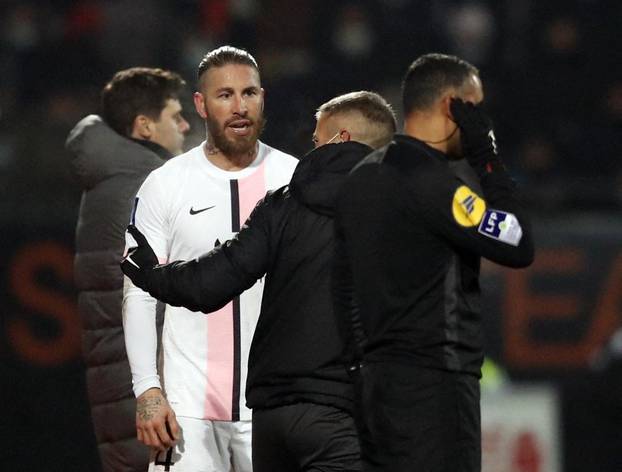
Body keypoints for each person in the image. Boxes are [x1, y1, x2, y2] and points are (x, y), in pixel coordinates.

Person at [120, 91, 397, 472]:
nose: (311, 152)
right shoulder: (397, 211)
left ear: (342, 139)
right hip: (341, 414)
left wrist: (154, 276)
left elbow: (214, 280)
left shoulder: (282, 204)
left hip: (271, 419)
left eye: (317, 142)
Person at [332, 53, 535, 472]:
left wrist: (357, 365)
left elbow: (341, 284)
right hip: (435, 386)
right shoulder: (436, 185)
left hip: (374, 387)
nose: (481, 121)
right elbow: (518, 242)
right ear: (452, 106)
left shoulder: (361, 178)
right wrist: (488, 157)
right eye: (474, 108)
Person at [122, 46, 298, 472]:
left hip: (275, 407)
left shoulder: (294, 178)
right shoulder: (165, 184)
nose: (240, 107)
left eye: (249, 93)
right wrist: (148, 390)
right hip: (188, 409)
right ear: (200, 104)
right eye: (225, 95)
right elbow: (139, 294)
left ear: (263, 97)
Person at [66, 66, 189, 472]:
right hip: (156, 399)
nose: (186, 126)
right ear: (145, 126)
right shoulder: (146, 187)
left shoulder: (111, 183)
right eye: (175, 115)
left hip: (123, 395)